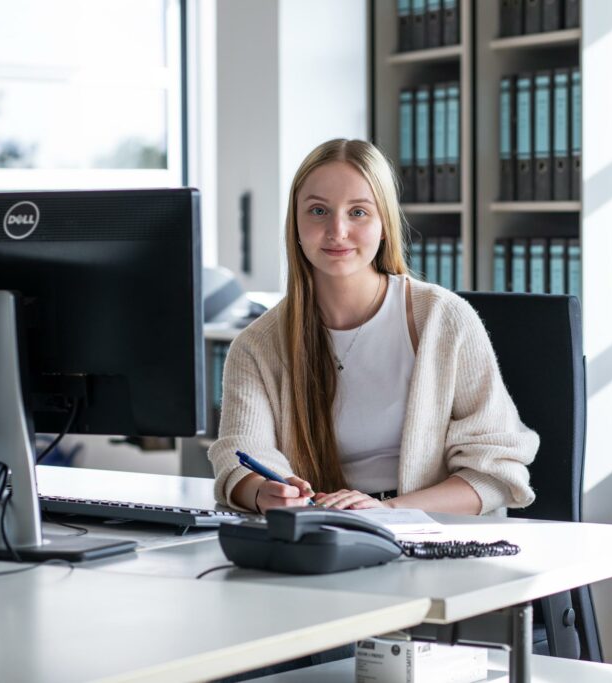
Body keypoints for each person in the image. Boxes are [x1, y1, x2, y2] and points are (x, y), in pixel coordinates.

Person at [208, 138, 538, 515]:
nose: (337, 230)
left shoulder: (442, 319)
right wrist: (261, 492)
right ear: (294, 224)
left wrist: (389, 512)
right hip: (325, 535)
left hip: (438, 538)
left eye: (359, 213)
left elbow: (495, 472)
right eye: (317, 211)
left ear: (385, 223)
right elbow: (239, 457)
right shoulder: (257, 346)